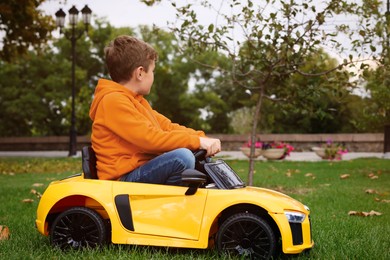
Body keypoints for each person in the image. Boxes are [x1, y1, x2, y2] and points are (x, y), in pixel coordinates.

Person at [89, 35, 221, 185]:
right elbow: (151, 139)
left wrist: (202, 138)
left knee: (194, 156)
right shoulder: (113, 101)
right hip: (123, 179)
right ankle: (171, 206)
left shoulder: (136, 101)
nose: (153, 76)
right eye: (152, 71)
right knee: (182, 157)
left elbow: (167, 127)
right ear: (140, 73)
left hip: (139, 170)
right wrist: (197, 142)